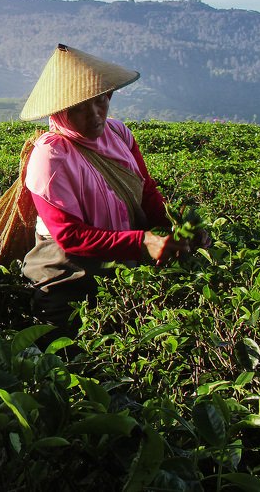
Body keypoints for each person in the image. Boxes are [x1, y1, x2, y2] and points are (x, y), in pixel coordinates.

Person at [17, 44, 203, 336]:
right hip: (68, 276)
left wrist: (174, 230)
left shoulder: (118, 133)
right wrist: (142, 242)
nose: (94, 115)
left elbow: (146, 192)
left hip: (124, 267)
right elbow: (69, 235)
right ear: (59, 111)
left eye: (99, 101)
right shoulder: (50, 156)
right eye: (78, 108)